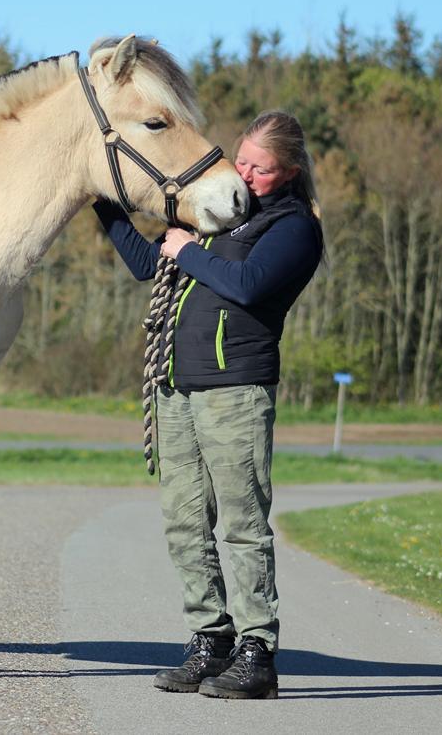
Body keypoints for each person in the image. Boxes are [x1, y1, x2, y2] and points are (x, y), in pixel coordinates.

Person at [94, 110, 323, 700]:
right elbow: (151, 264)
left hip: (236, 392)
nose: (244, 173)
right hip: (177, 387)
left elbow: (247, 286)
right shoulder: (222, 210)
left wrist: (189, 251)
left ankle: (257, 652)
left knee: (243, 525)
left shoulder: (295, 228)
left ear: (290, 172)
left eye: (259, 167)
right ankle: (210, 638)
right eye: (241, 158)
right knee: (184, 522)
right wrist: (104, 204)